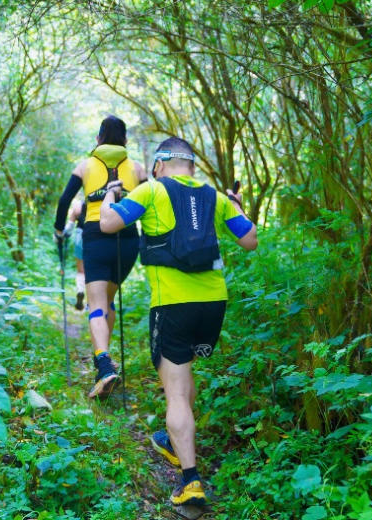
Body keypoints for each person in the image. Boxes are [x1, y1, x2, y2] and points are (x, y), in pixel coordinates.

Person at [99, 137, 258, 508]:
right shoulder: (215, 197)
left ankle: (191, 481)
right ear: (192, 166)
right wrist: (237, 204)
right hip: (213, 304)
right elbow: (250, 240)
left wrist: (110, 195)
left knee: (174, 391)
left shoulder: (151, 190)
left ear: (159, 165)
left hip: (173, 304)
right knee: (183, 375)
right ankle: (173, 441)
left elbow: (108, 223)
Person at [54, 116, 148, 398]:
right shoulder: (137, 168)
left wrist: (59, 231)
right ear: (126, 140)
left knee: (96, 303)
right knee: (108, 299)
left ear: (98, 139)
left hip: (95, 236)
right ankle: (107, 361)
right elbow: (152, 201)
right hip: (128, 238)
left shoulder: (85, 166)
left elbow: (64, 201)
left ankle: (104, 364)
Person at [65, 198, 87, 311]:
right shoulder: (103, 200)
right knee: (96, 272)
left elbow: (69, 228)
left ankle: (80, 290)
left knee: (81, 271)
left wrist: (63, 235)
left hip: (81, 238)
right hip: (98, 238)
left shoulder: (79, 205)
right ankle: (93, 303)